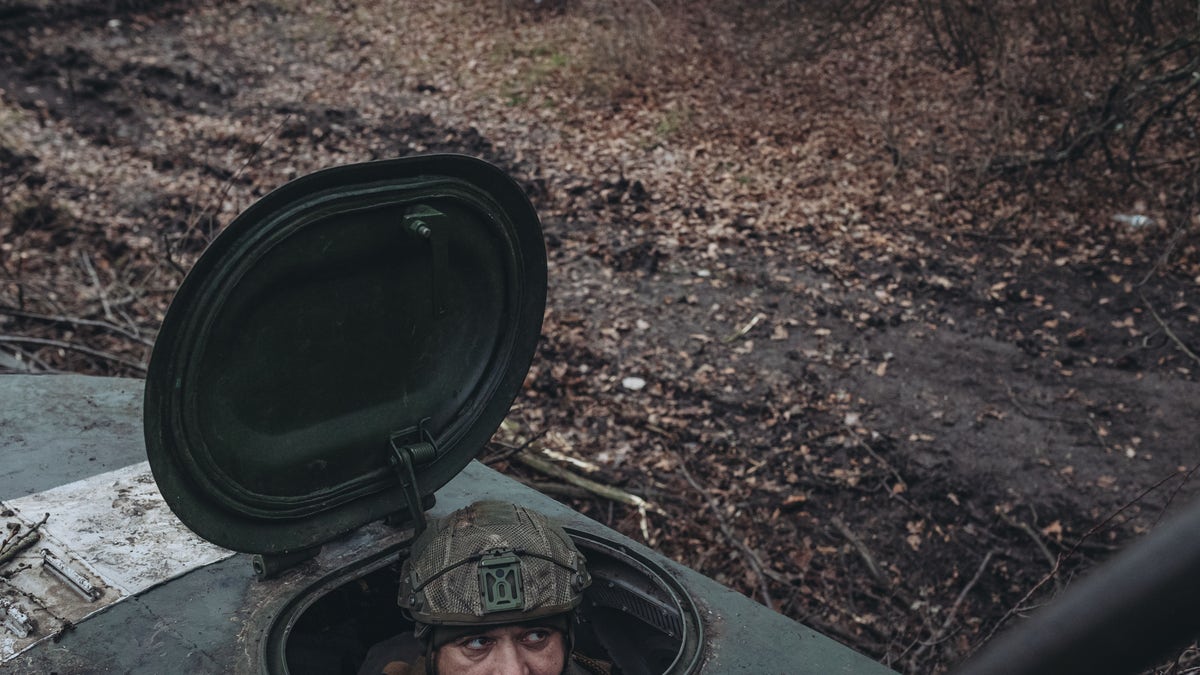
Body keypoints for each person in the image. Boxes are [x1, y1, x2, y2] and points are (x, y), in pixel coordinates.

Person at [358, 500, 612, 675]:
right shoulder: (384, 660)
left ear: (567, 640)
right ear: (432, 654)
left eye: (536, 636)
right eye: (478, 642)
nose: (513, 671)